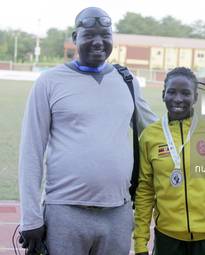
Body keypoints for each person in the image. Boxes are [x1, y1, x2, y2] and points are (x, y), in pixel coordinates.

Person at [18, 7, 158, 255]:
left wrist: (201, 132)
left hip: (118, 213)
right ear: (75, 37)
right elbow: (31, 152)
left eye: (105, 35)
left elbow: (154, 130)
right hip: (65, 212)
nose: (98, 42)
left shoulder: (126, 80)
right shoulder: (49, 82)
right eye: (89, 35)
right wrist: (30, 219)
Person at [133, 67, 205, 255]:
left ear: (195, 98)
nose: (178, 99)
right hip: (167, 238)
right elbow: (145, 191)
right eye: (171, 92)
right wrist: (140, 244)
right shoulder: (149, 136)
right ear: (163, 95)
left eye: (185, 93)